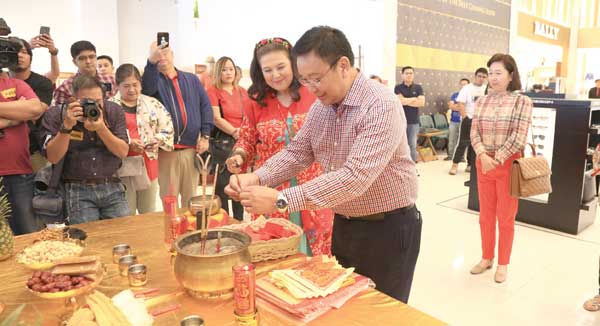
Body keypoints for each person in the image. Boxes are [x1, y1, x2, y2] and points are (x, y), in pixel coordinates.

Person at [225, 27, 421, 303]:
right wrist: (256, 178)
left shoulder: (380, 104)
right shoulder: (322, 107)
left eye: (316, 79)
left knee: (380, 312)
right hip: (346, 224)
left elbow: (355, 177)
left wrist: (281, 200)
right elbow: (298, 153)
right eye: (304, 80)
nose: (311, 88)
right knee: (343, 306)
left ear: (342, 65)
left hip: (387, 230)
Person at [225, 37, 333, 255]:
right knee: (275, 247)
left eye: (281, 67)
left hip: (311, 186)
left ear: (293, 64)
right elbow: (246, 138)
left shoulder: (313, 94)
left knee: (316, 252)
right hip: (269, 188)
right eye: (268, 70)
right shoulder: (255, 100)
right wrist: (238, 157)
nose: (275, 75)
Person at [469, 54, 532, 283]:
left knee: (505, 217)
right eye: (491, 73)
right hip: (483, 163)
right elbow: (473, 131)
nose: (493, 78)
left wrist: (498, 157)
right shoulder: (481, 101)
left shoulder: (522, 102)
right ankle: (487, 258)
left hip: (507, 165)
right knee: (485, 216)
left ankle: (503, 263)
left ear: (510, 75)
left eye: (498, 73)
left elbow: (519, 136)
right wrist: (483, 155)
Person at [41, 75, 130, 224]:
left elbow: (122, 152)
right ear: (73, 100)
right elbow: (53, 157)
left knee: (121, 236)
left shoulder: (113, 111)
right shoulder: (56, 114)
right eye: (87, 102)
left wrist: (101, 128)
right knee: (87, 241)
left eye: (98, 102)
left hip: (112, 185)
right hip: (77, 189)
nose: (93, 106)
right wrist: (67, 126)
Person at [141, 41, 213, 209]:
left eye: (165, 52)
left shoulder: (191, 79)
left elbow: (205, 106)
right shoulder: (152, 81)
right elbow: (146, 90)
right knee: (169, 199)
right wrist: (151, 64)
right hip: (167, 151)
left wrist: (205, 135)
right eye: (157, 54)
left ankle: (191, 233)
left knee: (192, 199)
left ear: (172, 55)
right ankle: (171, 233)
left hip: (191, 148)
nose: (161, 56)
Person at [111, 64, 174, 215]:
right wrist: (128, 143)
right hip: (122, 167)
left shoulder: (152, 103)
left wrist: (157, 140)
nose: (131, 90)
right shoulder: (110, 106)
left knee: (148, 211)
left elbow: (167, 127)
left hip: (148, 164)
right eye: (126, 86)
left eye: (135, 85)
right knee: (127, 211)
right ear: (117, 86)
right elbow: (106, 134)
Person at [0, 72, 45, 235]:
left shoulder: (16, 84)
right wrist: (13, 118)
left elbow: (34, 109)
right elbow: (26, 112)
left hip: (19, 173)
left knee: (27, 233)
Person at [206, 57, 250, 220]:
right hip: (223, 143)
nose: (228, 73)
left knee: (240, 184)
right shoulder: (213, 91)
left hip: (242, 141)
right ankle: (224, 222)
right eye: (224, 69)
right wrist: (234, 132)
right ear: (218, 72)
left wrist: (244, 133)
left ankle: (239, 221)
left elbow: (249, 115)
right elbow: (216, 118)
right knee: (223, 186)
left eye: (231, 69)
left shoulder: (242, 91)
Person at [7, 39, 53, 172]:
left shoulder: (43, 83)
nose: (19, 56)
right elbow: (25, 113)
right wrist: (20, 108)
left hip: (33, 149)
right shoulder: (3, 81)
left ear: (30, 58)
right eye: (14, 52)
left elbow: (34, 113)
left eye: (24, 52)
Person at [449, 68, 488, 175]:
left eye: (484, 77)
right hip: (468, 119)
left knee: (475, 144)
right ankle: (455, 165)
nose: (481, 79)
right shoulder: (467, 88)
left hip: (480, 121)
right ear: (475, 76)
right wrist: (465, 117)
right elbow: (460, 103)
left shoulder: (486, 89)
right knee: (463, 143)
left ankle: (470, 165)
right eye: (479, 76)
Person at [53, 41, 117, 105]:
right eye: (82, 58)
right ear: (74, 62)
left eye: (91, 57)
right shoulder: (65, 88)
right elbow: (59, 113)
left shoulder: (112, 80)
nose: (88, 61)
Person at [394, 66, 425, 162]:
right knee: (400, 144)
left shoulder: (418, 87)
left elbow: (421, 103)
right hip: (400, 120)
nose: (409, 75)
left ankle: (412, 164)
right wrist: (414, 99)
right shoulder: (398, 87)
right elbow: (400, 101)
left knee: (412, 144)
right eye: (406, 73)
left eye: (411, 73)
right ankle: (402, 163)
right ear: (402, 75)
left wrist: (405, 100)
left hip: (413, 121)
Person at [446, 78, 470, 161]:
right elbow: (451, 106)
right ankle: (450, 156)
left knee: (462, 140)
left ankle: (461, 157)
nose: (463, 86)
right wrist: (461, 107)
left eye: (465, 84)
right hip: (453, 121)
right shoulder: (455, 95)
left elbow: (467, 108)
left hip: (463, 121)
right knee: (451, 139)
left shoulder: (469, 96)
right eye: (462, 84)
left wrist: (457, 107)